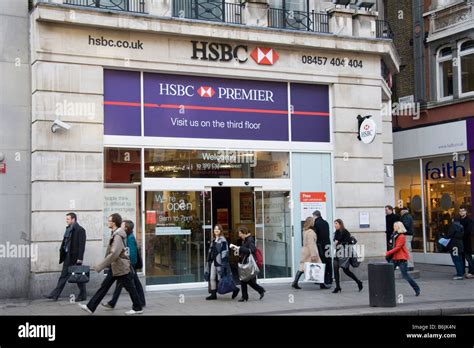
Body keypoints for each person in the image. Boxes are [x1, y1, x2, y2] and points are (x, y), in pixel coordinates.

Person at [79, 213, 143, 315]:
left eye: (109, 221)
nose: (108, 222)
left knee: (130, 287)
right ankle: (90, 307)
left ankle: (138, 307)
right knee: (104, 287)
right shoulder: (115, 233)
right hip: (115, 266)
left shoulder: (117, 235)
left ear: (114, 223)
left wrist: (101, 266)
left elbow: (114, 254)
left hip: (120, 266)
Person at [102, 220, 146, 309]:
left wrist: (130, 265)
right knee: (125, 283)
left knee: (133, 284)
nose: (120, 227)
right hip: (126, 265)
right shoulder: (125, 236)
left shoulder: (129, 237)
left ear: (126, 228)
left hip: (129, 265)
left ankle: (139, 303)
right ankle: (113, 303)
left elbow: (132, 253)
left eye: (122, 225)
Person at [44, 212, 87, 301]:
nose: (66, 220)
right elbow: (65, 242)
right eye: (66, 219)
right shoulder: (68, 229)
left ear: (73, 219)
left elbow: (82, 246)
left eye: (68, 219)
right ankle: (55, 295)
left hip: (75, 258)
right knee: (63, 276)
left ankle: (83, 294)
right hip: (67, 256)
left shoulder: (80, 230)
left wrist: (80, 258)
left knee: (78, 277)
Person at [230, 226, 265, 302]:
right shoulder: (245, 240)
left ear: (244, 233)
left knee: (245, 279)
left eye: (240, 233)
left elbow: (251, 250)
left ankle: (259, 291)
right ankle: (246, 296)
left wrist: (240, 248)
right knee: (244, 280)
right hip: (244, 262)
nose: (239, 235)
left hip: (248, 263)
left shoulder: (250, 240)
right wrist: (237, 250)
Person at [205, 224, 239, 300]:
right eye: (215, 229)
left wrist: (224, 264)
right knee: (212, 278)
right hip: (214, 261)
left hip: (221, 262)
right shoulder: (213, 240)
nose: (216, 230)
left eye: (218, 229)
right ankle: (213, 294)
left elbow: (225, 252)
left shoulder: (223, 240)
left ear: (220, 231)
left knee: (223, 279)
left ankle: (235, 289)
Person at [386, 222, 420, 296]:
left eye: (395, 226)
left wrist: (387, 253)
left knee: (405, 275)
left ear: (398, 227)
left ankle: (416, 288)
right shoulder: (394, 235)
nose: (393, 227)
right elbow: (391, 245)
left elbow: (398, 248)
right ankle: (387, 290)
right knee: (388, 274)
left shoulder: (401, 236)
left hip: (401, 258)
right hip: (394, 258)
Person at [332, 219, 363, 293]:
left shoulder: (345, 232)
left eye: (336, 223)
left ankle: (358, 282)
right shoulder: (336, 232)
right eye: (334, 224)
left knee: (346, 271)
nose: (335, 225)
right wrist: (337, 244)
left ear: (340, 224)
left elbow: (348, 242)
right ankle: (338, 287)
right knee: (335, 269)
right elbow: (335, 244)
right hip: (338, 253)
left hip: (345, 254)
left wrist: (339, 243)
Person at [292, 216, 321, 289]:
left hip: (305, 251)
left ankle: (295, 282)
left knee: (302, 267)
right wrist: (313, 254)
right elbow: (311, 244)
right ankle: (322, 283)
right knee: (319, 265)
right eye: (313, 221)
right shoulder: (311, 232)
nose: (314, 222)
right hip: (310, 251)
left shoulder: (305, 231)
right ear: (311, 222)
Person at [312, 210, 332, 289]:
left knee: (321, 262)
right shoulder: (326, 223)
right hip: (327, 245)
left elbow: (316, 236)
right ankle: (329, 279)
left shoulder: (316, 224)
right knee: (328, 262)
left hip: (320, 246)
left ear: (315, 216)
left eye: (313, 216)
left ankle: (321, 280)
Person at [459, 207, 474, 278]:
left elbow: (468, 231)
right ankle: (462, 272)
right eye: (460, 211)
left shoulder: (469, 220)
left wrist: (460, 234)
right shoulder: (458, 220)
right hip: (460, 243)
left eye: (463, 211)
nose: (461, 212)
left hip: (466, 242)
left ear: (466, 212)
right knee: (461, 259)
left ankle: (472, 272)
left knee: (468, 258)